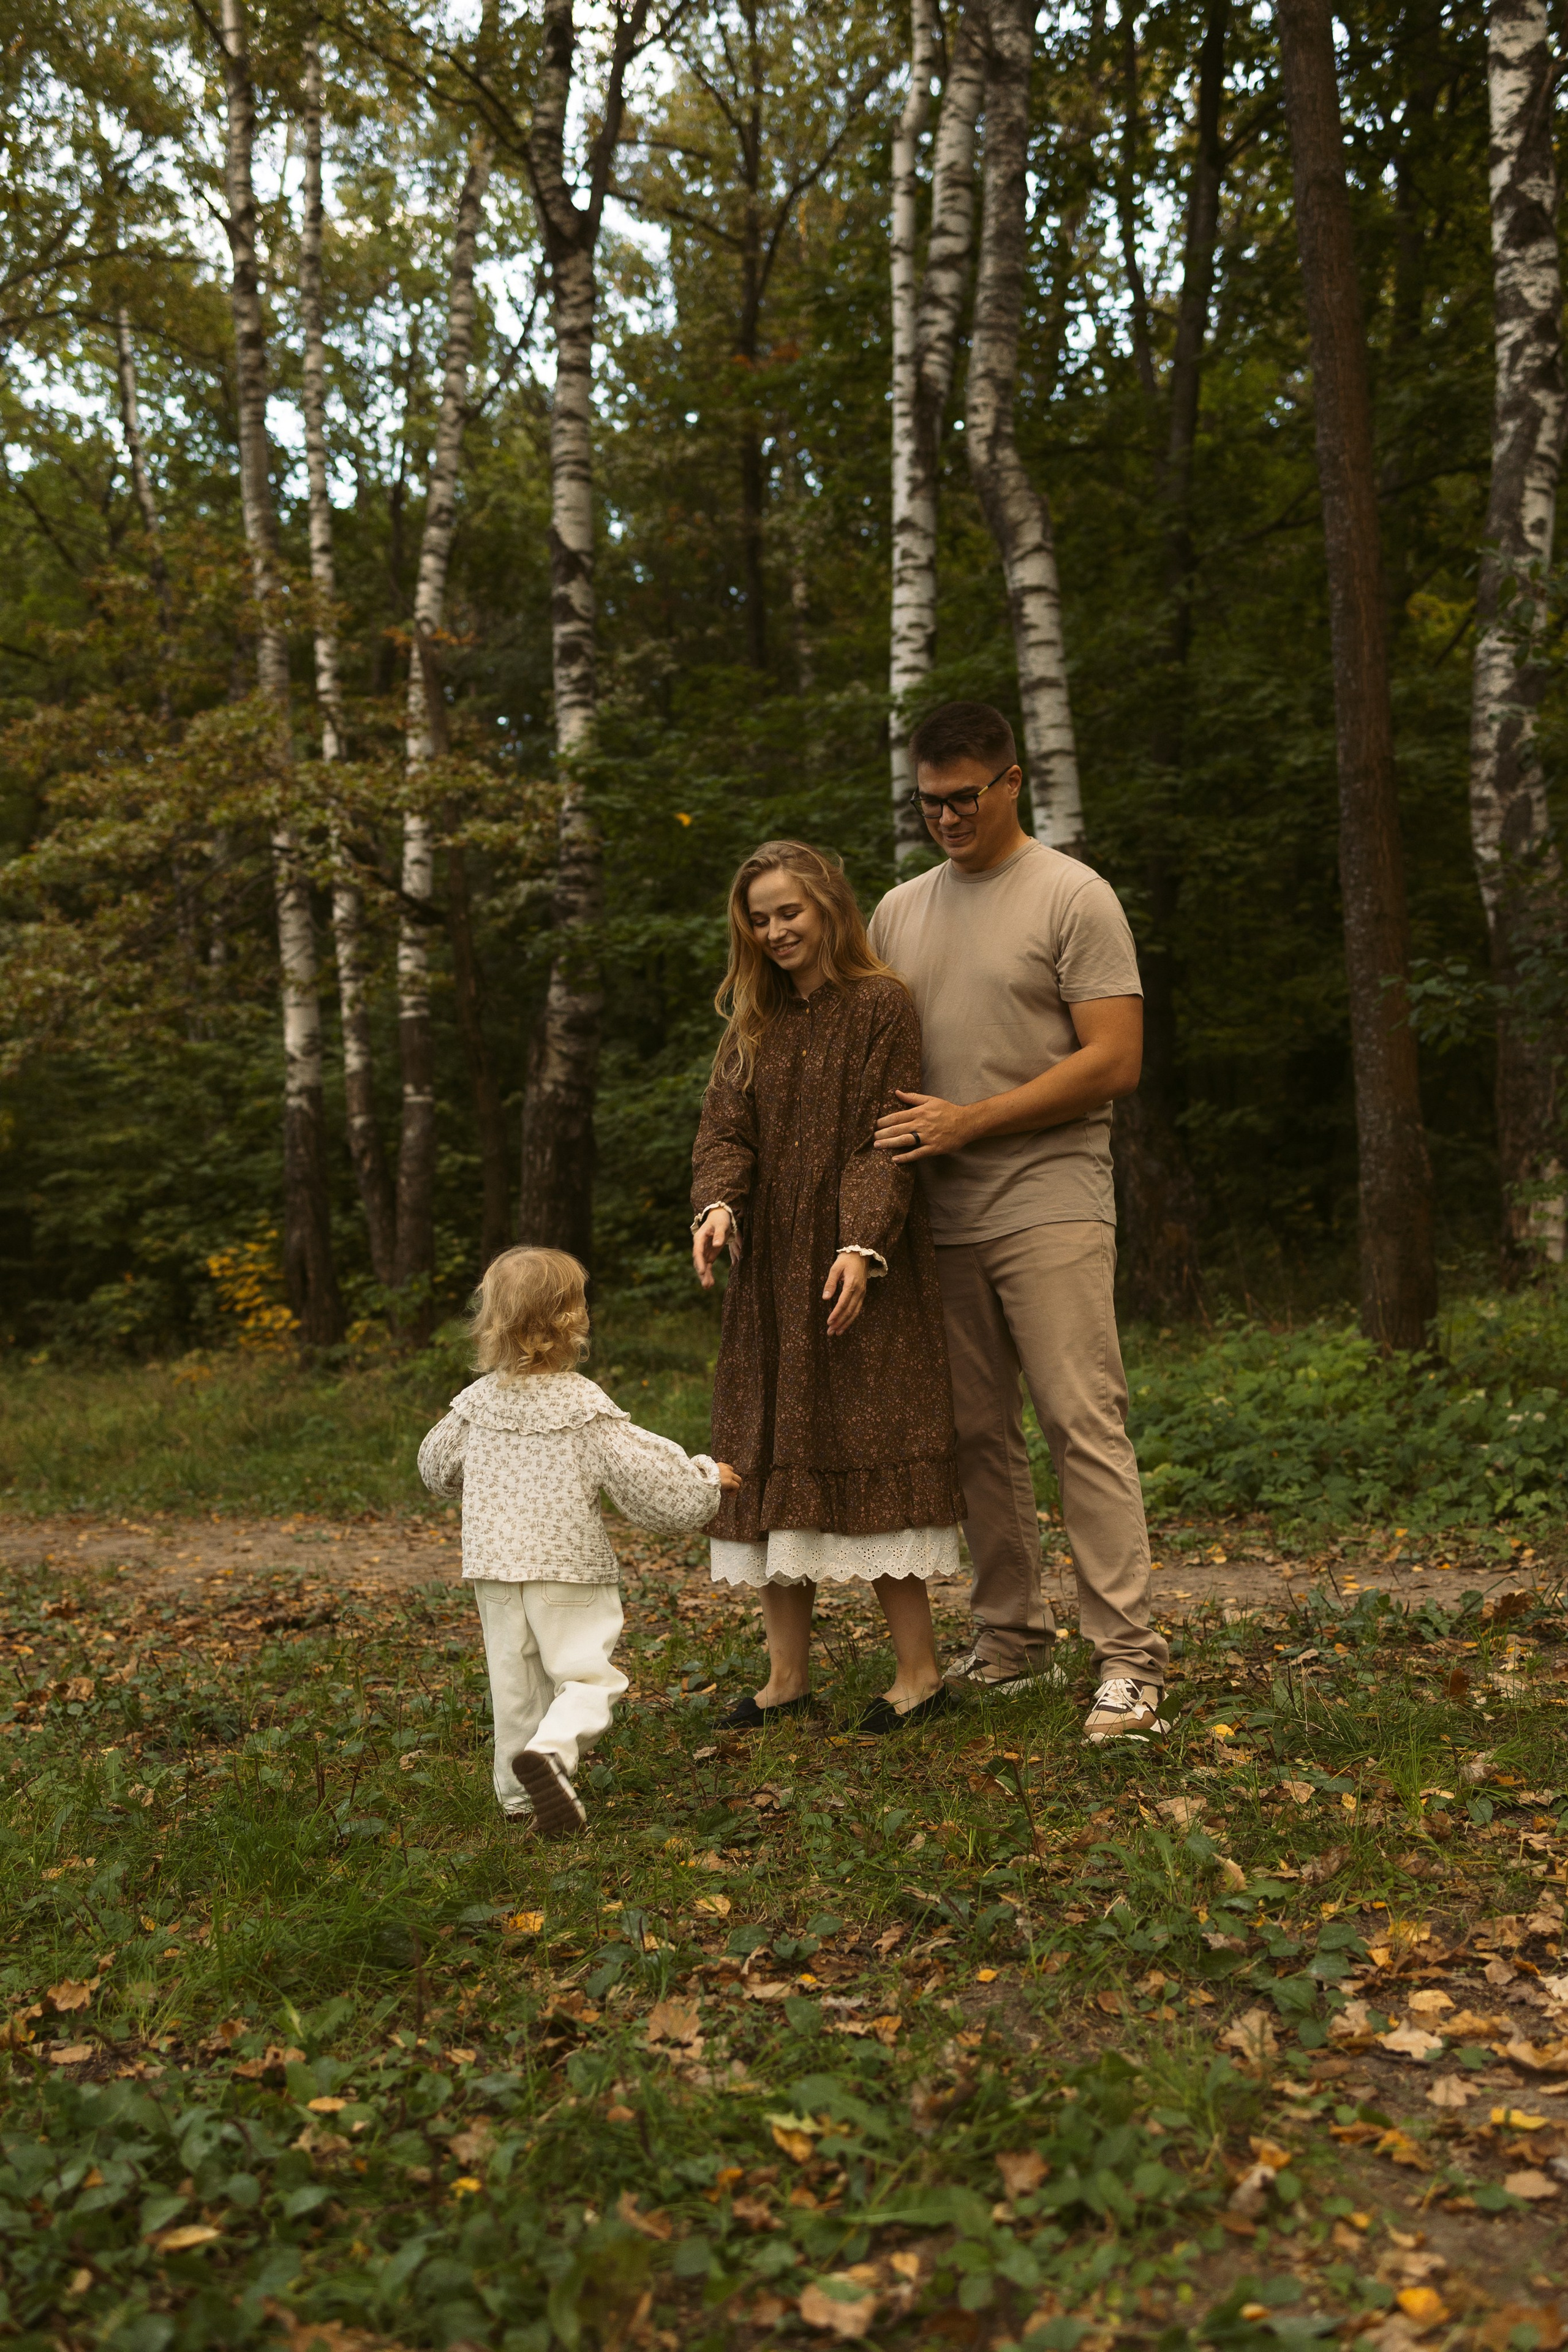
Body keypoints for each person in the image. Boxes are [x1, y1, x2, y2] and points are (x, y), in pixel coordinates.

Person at [867, 701, 1169, 1744]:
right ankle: (1010, 1642)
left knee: (1082, 1419)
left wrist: (974, 1121)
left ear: (1012, 783)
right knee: (973, 1432)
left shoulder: (1072, 896)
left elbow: (1114, 1061)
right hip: (935, 1212)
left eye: (964, 797)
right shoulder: (898, 911)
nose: (946, 817)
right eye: (928, 801)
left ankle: (1129, 1663)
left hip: (1049, 1194)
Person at [690, 840, 966, 1733]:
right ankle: (785, 1680)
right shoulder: (753, 1022)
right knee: (769, 1450)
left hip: (856, 1267)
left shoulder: (883, 1006)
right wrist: (718, 1207)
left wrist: (860, 1241)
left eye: (788, 913)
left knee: (870, 1442)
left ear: (828, 909)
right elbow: (724, 1133)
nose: (774, 932)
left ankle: (919, 1674)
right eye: (759, 919)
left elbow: (885, 1138)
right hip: (768, 1273)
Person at [418, 1246, 737, 1838]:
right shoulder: (583, 1406)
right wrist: (704, 1478)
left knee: (515, 1686)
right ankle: (555, 1755)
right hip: (567, 1569)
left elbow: (436, 1469)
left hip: (493, 1569)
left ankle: (519, 1800)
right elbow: (652, 1485)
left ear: (492, 1319)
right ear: (573, 1318)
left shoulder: (474, 1405)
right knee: (590, 1678)